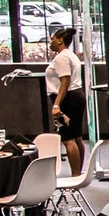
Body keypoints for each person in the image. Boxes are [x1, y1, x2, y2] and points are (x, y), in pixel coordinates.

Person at [45, 26, 87, 172]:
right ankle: (78, 173)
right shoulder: (70, 55)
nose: (50, 43)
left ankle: (75, 175)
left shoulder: (62, 57)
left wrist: (56, 105)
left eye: (52, 40)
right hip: (75, 96)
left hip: (68, 99)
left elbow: (65, 81)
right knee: (76, 136)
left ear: (60, 40)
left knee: (68, 139)